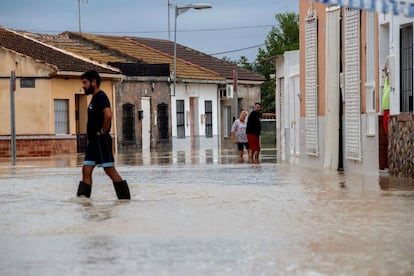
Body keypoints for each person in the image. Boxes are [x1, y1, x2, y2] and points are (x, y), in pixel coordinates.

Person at [76, 70, 130, 200]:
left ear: (94, 82)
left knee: (109, 170)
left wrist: (102, 131)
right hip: (93, 142)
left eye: (85, 82)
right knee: (86, 170)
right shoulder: (94, 98)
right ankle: (83, 201)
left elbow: (108, 114)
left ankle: (124, 199)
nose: (83, 86)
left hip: (101, 141)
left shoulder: (101, 96)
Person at [382, 64, 390, 136]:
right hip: (385, 109)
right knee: (385, 129)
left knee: (388, 129)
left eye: (386, 69)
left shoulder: (392, 80)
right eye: (384, 70)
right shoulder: (386, 81)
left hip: (389, 109)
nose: (385, 71)